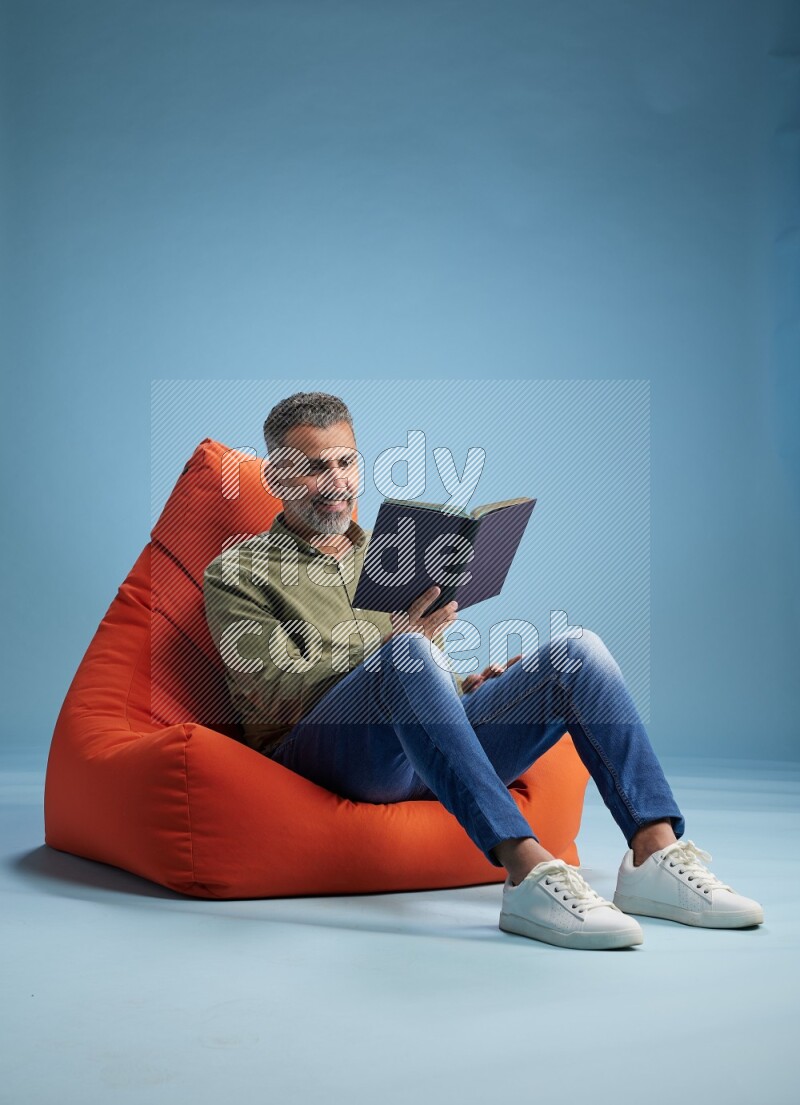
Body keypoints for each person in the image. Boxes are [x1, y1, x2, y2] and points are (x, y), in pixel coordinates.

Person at [203, 391, 764, 951]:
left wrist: (466, 686)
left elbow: (415, 673)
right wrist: (396, 646)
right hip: (329, 756)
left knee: (578, 653)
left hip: (426, 755)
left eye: (346, 462)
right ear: (275, 477)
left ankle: (653, 853)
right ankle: (527, 872)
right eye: (313, 468)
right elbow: (271, 692)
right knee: (406, 652)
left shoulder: (390, 554)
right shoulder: (237, 572)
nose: (336, 482)